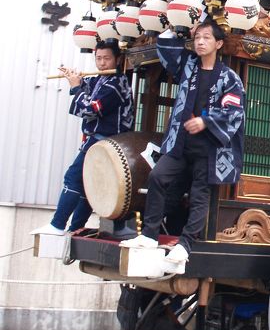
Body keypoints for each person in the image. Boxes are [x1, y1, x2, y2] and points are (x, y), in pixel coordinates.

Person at [121, 19, 245, 275]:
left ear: (218, 43)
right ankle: (150, 236)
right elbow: (165, 46)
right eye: (197, 37)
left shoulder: (229, 78)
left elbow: (235, 113)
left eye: (206, 38)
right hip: (180, 143)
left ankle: (185, 245)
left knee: (200, 196)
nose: (200, 42)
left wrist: (206, 121)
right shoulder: (188, 66)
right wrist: (180, 28)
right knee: (158, 177)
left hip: (209, 149)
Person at [31, 41, 135, 239]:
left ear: (118, 59)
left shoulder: (116, 84)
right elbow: (87, 90)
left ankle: (57, 224)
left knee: (74, 178)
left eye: (107, 59)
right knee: (89, 184)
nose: (102, 63)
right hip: (100, 142)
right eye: (98, 59)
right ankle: (75, 226)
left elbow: (91, 109)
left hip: (107, 143)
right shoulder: (101, 80)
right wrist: (75, 79)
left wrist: (76, 88)